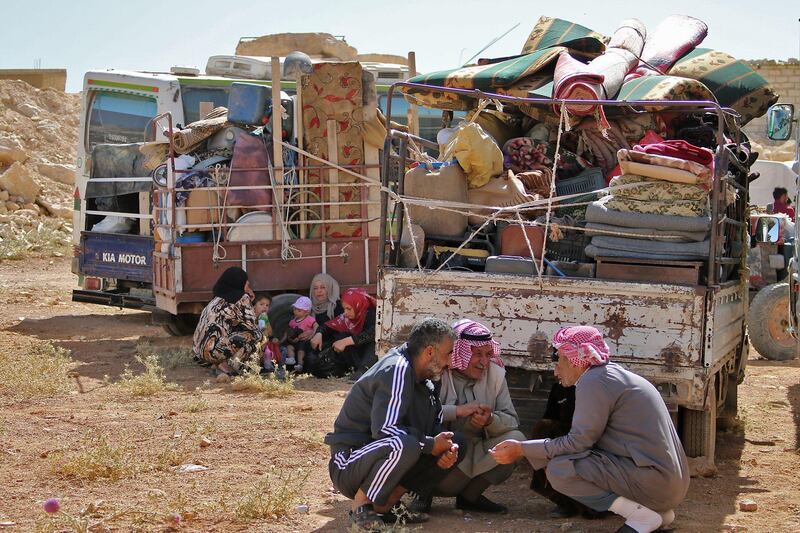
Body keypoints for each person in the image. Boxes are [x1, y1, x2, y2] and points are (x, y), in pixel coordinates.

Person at [490, 326, 690, 533]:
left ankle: (640, 516)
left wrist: (521, 449)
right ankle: (657, 513)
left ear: (575, 359)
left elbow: (578, 443)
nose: (556, 370)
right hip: (669, 484)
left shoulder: (593, 381)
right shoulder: (610, 375)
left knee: (560, 469)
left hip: (657, 483)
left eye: (559, 360)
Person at [324, 318, 468, 531]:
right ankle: (361, 507)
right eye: (448, 354)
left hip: (382, 456)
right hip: (349, 463)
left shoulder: (426, 381)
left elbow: (434, 429)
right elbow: (385, 431)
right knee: (405, 443)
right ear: (430, 352)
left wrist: (445, 450)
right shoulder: (398, 369)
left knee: (457, 442)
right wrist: (430, 445)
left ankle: (387, 504)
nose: (450, 362)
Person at [420, 319, 526, 514]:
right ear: (460, 351)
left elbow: (512, 420)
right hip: (443, 453)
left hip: (476, 449)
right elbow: (420, 415)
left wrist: (490, 420)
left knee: (517, 440)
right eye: (477, 354)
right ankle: (423, 493)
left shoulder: (495, 374)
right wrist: (458, 411)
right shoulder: (439, 372)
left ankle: (470, 497)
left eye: (488, 354)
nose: (484, 362)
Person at [192, 267, 263, 376]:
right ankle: (232, 366)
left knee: (236, 330)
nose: (249, 287)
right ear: (240, 284)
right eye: (247, 285)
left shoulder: (217, 299)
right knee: (256, 335)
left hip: (200, 353)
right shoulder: (241, 298)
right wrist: (250, 301)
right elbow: (252, 326)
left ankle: (218, 363)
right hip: (212, 353)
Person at [310, 288, 377, 379]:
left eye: (349, 309)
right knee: (341, 336)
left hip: (370, 357)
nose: (345, 313)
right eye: (344, 309)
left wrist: (346, 341)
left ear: (358, 305)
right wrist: (319, 333)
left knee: (375, 343)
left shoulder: (373, 314)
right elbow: (328, 326)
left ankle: (365, 370)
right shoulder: (347, 318)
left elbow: (373, 333)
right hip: (357, 355)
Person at [283, 296, 318, 373]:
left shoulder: (309, 319)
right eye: (295, 309)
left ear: (306, 312)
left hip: (303, 341)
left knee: (300, 351)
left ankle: (300, 364)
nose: (295, 311)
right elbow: (289, 331)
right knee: (289, 347)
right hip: (294, 340)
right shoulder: (292, 321)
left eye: (299, 310)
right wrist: (288, 338)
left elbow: (316, 325)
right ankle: (291, 358)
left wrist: (312, 334)